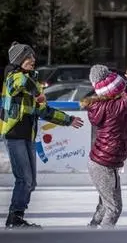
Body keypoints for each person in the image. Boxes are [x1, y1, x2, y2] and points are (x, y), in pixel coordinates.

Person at [1, 42, 83, 229]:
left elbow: (43, 110)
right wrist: (38, 92)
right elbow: (21, 83)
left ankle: (17, 218)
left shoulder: (32, 80)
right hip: (13, 134)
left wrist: (68, 120)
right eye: (28, 57)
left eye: (33, 57)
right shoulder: (12, 76)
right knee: (24, 179)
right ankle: (14, 220)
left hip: (27, 135)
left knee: (31, 182)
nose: (33, 60)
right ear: (19, 60)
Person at [80, 65, 127, 228]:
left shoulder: (102, 104)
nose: (122, 93)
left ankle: (91, 231)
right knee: (114, 209)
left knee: (105, 205)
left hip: (102, 162)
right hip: (104, 164)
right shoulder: (115, 107)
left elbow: (126, 93)